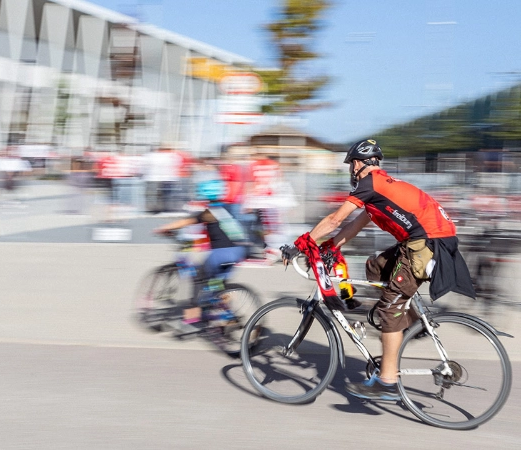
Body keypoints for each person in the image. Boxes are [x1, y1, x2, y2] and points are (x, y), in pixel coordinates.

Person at [283, 139, 474, 400]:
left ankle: (387, 383)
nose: (351, 170)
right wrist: (328, 249)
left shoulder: (370, 184)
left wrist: (301, 246)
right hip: (425, 241)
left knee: (388, 311)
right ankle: (407, 328)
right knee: (375, 266)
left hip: (426, 245)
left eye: (352, 164)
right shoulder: (379, 189)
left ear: (359, 164)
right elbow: (353, 226)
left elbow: (335, 220)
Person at [154, 178, 250, 322]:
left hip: (221, 253)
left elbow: (184, 222)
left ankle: (190, 320)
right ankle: (230, 316)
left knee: (198, 279)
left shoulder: (207, 213)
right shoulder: (227, 210)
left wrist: (163, 228)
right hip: (239, 252)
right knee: (218, 285)